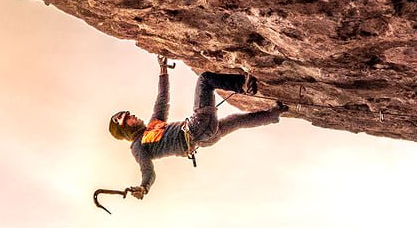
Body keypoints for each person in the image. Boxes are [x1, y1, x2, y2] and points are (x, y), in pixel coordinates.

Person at [105, 56, 285, 201]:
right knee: (205, 80)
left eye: (129, 114)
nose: (132, 116)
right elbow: (147, 170)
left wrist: (163, 70)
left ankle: (275, 113)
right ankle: (243, 85)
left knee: (236, 120)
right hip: (196, 129)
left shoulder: (152, 126)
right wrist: (144, 187)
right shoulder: (138, 147)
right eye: (127, 119)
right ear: (125, 131)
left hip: (203, 138)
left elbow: (162, 99)